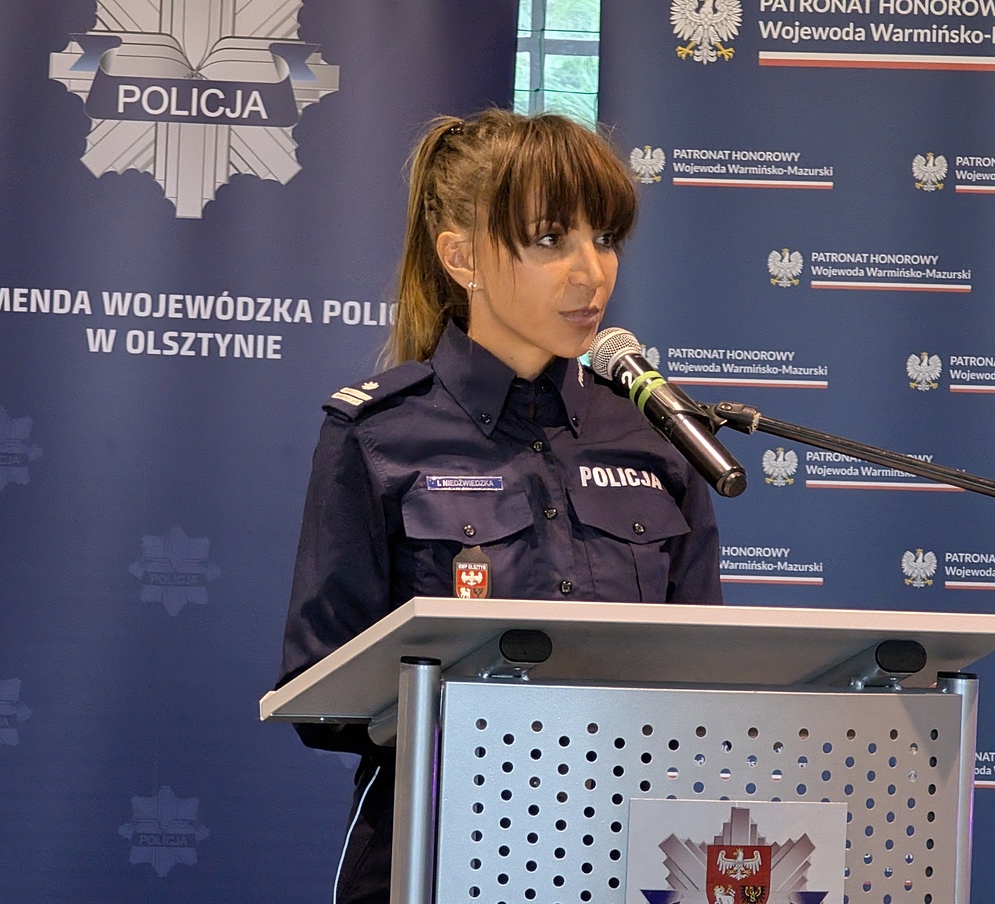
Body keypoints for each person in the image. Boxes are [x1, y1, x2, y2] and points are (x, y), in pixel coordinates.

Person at [278, 108, 722, 904]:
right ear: (462, 258)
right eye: (551, 239)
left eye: (604, 238)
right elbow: (321, 689)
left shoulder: (656, 438)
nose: (592, 272)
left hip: (626, 856)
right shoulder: (377, 435)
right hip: (434, 852)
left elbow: (710, 672)